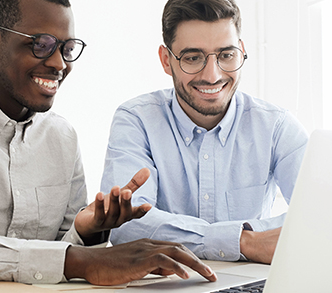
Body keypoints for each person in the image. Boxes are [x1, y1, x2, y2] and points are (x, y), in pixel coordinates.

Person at [0, 0, 217, 286]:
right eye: (41, 44)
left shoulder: (62, 138)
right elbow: (69, 261)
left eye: (68, 49)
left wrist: (88, 232)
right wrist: (77, 260)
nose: (59, 63)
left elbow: (65, 256)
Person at [101, 0, 309, 265]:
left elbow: (319, 216)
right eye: (192, 58)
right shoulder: (137, 120)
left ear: (242, 52)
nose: (212, 76)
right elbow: (126, 227)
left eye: (226, 55)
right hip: (168, 285)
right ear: (167, 61)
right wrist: (244, 241)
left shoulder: (276, 126)